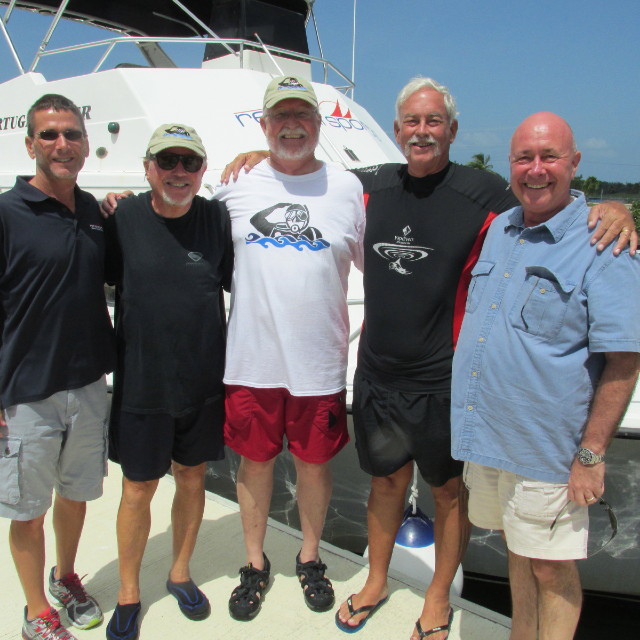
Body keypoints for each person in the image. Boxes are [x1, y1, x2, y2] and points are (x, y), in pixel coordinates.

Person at [222, 77, 635, 640]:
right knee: (385, 484)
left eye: (433, 121)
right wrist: (256, 156)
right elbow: (299, 170)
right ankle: (375, 580)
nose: (422, 132)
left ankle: (438, 595)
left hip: (446, 380)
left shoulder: (485, 190)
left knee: (448, 493)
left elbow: (548, 197)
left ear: (452, 130)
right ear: (396, 132)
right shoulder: (368, 185)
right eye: (412, 123)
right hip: (377, 374)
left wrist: (614, 205)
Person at [450, 111, 640, 639]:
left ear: (574, 163)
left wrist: (591, 455)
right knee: (518, 549)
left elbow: (624, 360)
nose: (536, 169)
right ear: (510, 165)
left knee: (552, 567)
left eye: (549, 157)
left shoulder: (604, 241)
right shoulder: (501, 231)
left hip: (550, 452)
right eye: (524, 158)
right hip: (490, 439)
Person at [215, 75, 365, 621]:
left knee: (313, 465)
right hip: (251, 363)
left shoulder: (348, 188)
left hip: (319, 366)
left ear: (319, 125)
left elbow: (386, 270)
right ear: (264, 124)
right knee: (254, 465)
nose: (291, 125)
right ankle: (254, 564)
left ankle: (309, 557)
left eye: (302, 115)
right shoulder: (235, 186)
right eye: (280, 116)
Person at [103, 124, 232, 640]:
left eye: (190, 163)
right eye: (167, 161)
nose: (179, 172)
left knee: (193, 478)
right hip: (141, 384)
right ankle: (128, 592)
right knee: (137, 489)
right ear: (148, 167)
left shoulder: (218, 219)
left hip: (202, 383)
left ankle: (180, 573)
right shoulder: (122, 217)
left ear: (202, 170)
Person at [0, 94, 115, 640]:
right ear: (30, 145)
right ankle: (34, 611)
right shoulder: (6, 213)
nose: (61, 144)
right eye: (49, 135)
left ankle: (66, 576)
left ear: (86, 145)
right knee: (28, 511)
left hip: (90, 384)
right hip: (25, 392)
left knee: (76, 494)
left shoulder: (94, 212)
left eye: (71, 133)